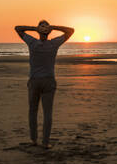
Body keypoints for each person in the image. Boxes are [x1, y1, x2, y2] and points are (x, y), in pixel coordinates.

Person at [14, 20, 74, 149]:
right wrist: (53, 27)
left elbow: (18, 28)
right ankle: (45, 142)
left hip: (35, 80)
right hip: (47, 81)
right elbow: (70, 31)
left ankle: (34, 140)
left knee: (33, 112)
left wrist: (35, 29)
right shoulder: (53, 43)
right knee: (47, 113)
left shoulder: (32, 42)